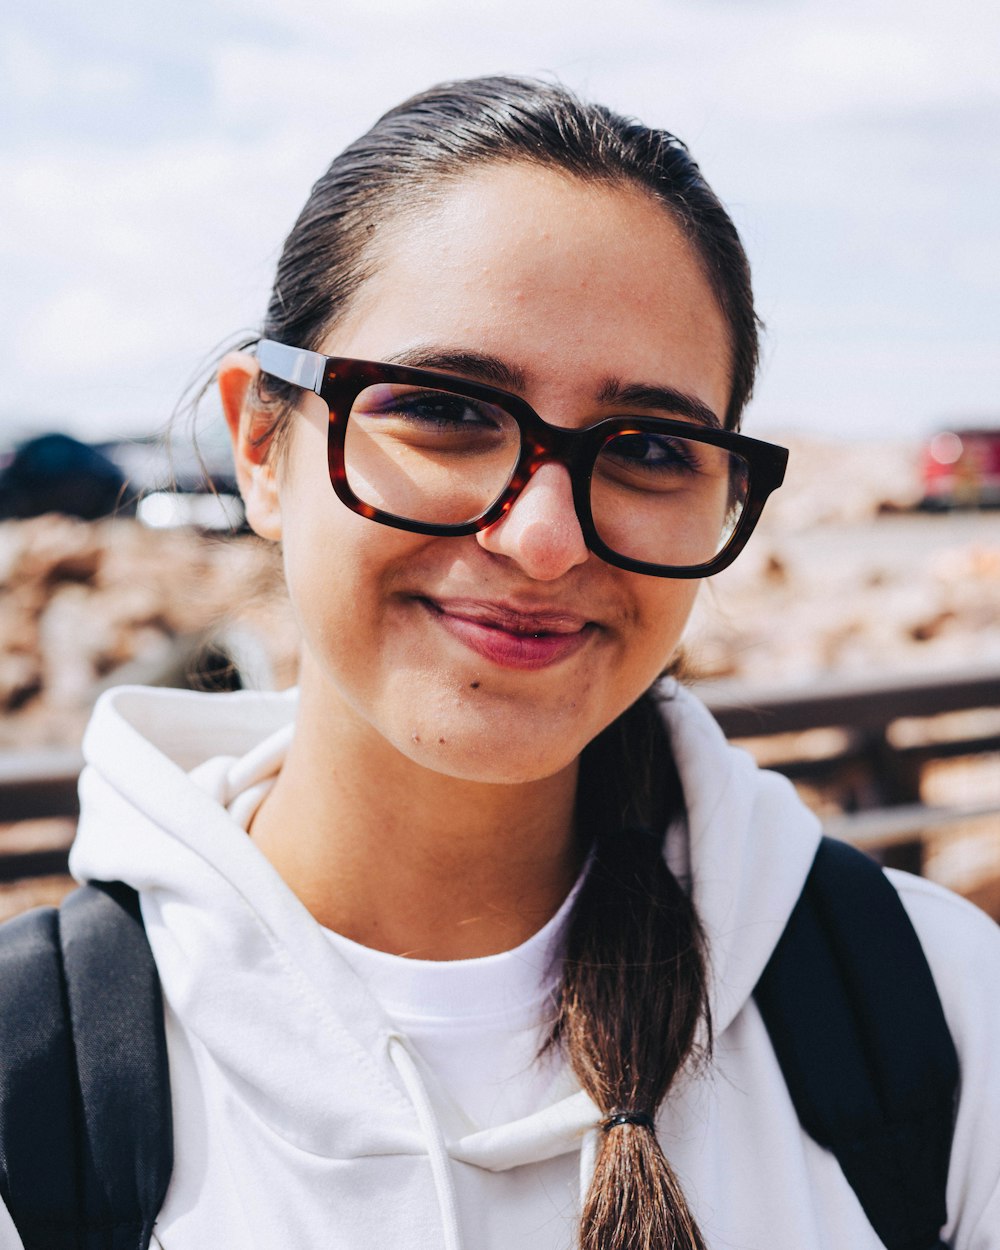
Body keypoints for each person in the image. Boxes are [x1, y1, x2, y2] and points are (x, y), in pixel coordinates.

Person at [3, 76, 999, 1250]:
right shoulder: (44, 1082)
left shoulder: (937, 1010)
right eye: (445, 409)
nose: (540, 539)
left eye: (644, 447)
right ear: (261, 447)